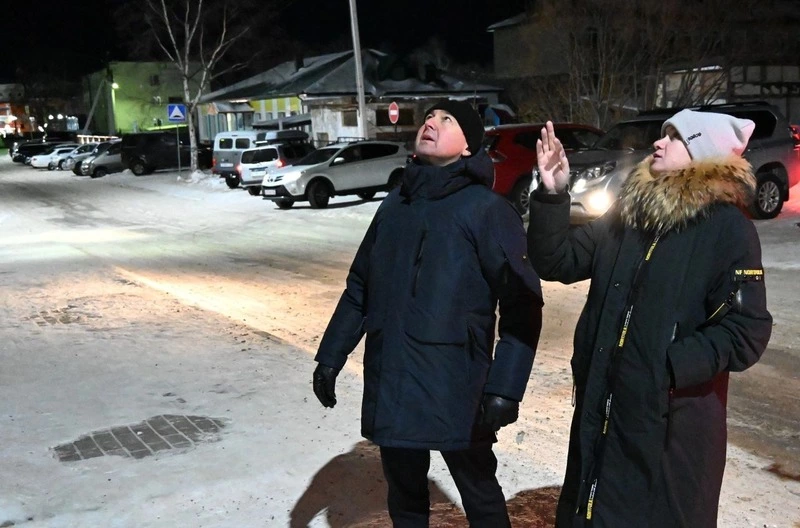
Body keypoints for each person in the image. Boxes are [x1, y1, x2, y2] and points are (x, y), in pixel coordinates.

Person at [528, 111, 772, 527]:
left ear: (704, 155)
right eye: (663, 134)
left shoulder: (728, 229)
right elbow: (557, 260)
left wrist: (666, 368)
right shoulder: (629, 215)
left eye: (675, 137)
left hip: (669, 425)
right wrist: (553, 194)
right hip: (604, 404)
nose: (658, 142)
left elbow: (747, 330)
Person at [312, 99, 544, 528]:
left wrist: (505, 388)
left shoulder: (487, 211)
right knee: (404, 494)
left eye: (446, 120)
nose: (431, 124)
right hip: (394, 376)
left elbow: (522, 305)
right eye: (429, 117)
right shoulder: (393, 206)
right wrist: (330, 356)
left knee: (478, 491)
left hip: (457, 382)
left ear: (469, 146)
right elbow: (360, 287)